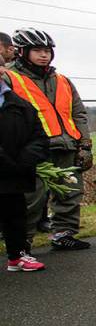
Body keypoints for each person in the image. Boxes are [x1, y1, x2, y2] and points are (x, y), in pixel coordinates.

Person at [2, 28, 93, 251]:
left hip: (67, 145)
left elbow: (78, 113)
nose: (44, 55)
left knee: (69, 193)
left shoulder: (62, 80)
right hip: (32, 149)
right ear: (22, 51)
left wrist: (85, 145)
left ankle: (64, 234)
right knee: (31, 198)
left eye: (47, 51)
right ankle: (22, 243)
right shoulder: (9, 77)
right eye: (37, 51)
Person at [1, 72, 49, 272]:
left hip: (15, 171)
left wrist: (25, 158)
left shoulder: (19, 104)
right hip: (8, 165)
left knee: (15, 214)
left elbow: (39, 136)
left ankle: (17, 256)